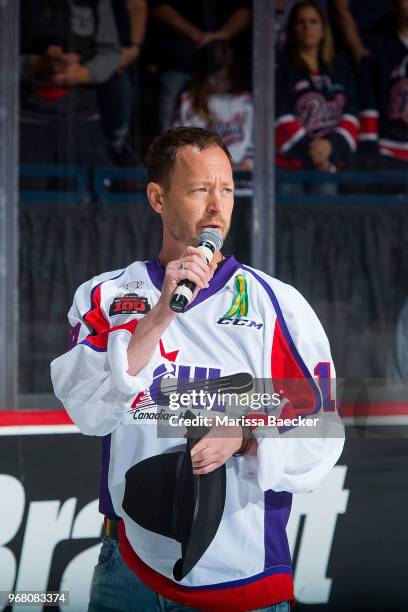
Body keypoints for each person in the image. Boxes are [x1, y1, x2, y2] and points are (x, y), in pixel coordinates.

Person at [51, 126, 344, 611]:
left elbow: (323, 430)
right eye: (199, 189)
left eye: (226, 189)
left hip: (242, 575)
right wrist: (162, 312)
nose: (217, 207)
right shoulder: (104, 296)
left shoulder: (277, 305)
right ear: (158, 198)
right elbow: (88, 412)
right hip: (129, 571)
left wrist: (248, 436)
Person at [20, 0, 120, 168]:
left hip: (83, 113)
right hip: (25, 115)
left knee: (89, 185)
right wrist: (34, 63)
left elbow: (110, 51)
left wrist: (85, 73)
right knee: (30, 186)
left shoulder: (97, 4)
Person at [276, 1, 358, 177]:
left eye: (313, 22)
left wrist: (331, 146)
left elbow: (352, 113)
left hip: (330, 163)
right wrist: (313, 151)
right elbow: (279, 115)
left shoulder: (340, 68)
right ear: (291, 29)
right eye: (301, 22)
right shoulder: (281, 69)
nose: (307, 27)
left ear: (323, 29)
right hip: (291, 164)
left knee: (327, 195)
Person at [149, 0, 251, 131]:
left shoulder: (244, 103)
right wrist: (197, 36)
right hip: (179, 57)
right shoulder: (186, 103)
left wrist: (222, 36)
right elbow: (158, 7)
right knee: (171, 132)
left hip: (222, 50)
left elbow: (246, 7)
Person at [173, 41, 253, 170]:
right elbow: (179, 144)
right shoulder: (189, 101)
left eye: (225, 77)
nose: (220, 83)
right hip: (203, 177)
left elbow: (255, 139)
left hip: (242, 179)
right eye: (215, 77)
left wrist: (250, 160)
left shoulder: (245, 102)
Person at [359, 0, 408, 170]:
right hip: (389, 149)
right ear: (393, 5)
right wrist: (369, 142)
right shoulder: (378, 47)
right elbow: (368, 98)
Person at [99, 0, 148, 165]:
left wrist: (133, 49)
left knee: (121, 132)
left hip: (121, 61)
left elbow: (137, 4)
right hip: (89, 60)